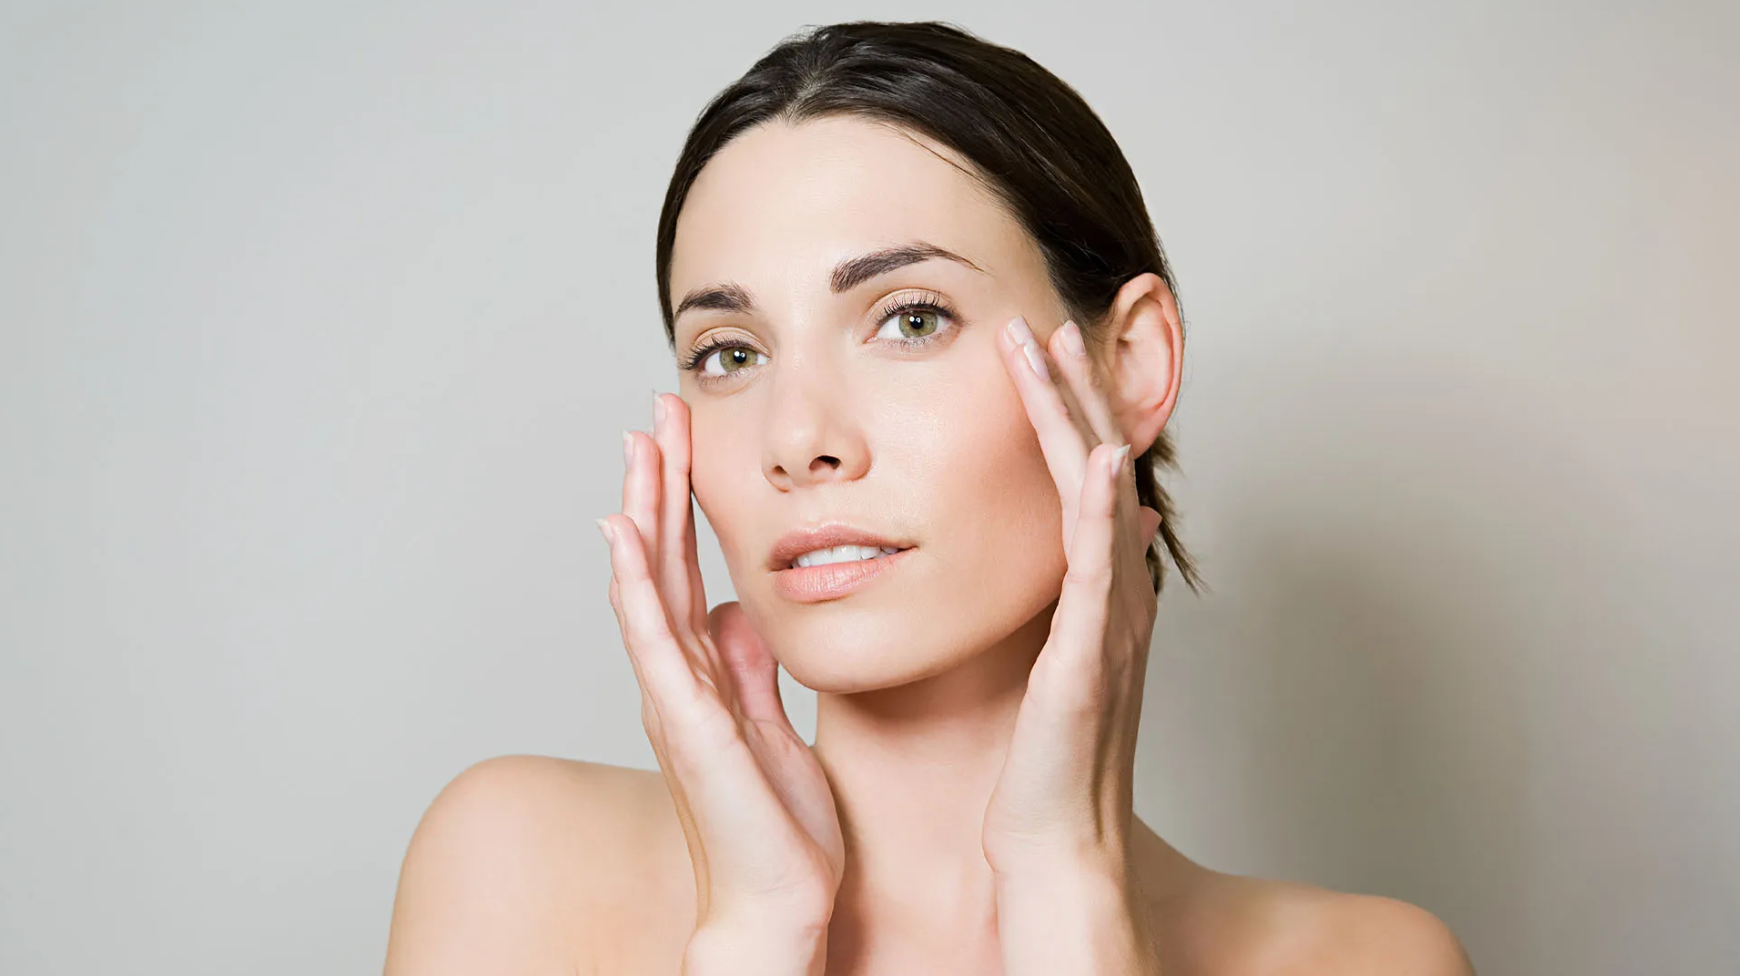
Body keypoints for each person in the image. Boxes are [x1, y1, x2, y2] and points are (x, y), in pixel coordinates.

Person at [383, 20, 1476, 975]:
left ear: (1129, 363)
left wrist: (1072, 897)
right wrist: (755, 933)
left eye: (910, 319)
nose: (797, 440)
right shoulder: (519, 867)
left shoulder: (1366, 961)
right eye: (729, 353)